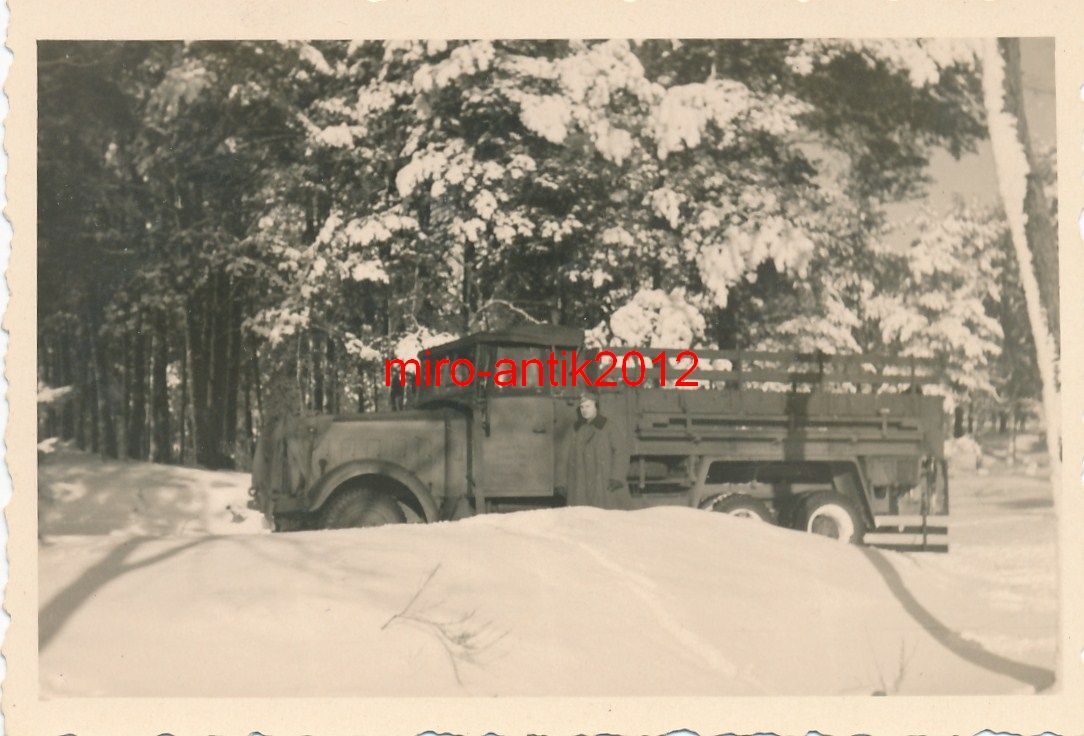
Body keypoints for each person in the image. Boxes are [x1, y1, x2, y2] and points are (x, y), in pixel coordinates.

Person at [555, 391, 631, 509]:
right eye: (582, 407)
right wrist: (561, 482)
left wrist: (617, 477)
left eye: (588, 406)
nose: (585, 410)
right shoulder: (575, 429)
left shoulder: (608, 427)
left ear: (596, 407)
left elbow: (621, 452)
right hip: (579, 486)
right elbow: (563, 457)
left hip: (603, 485)